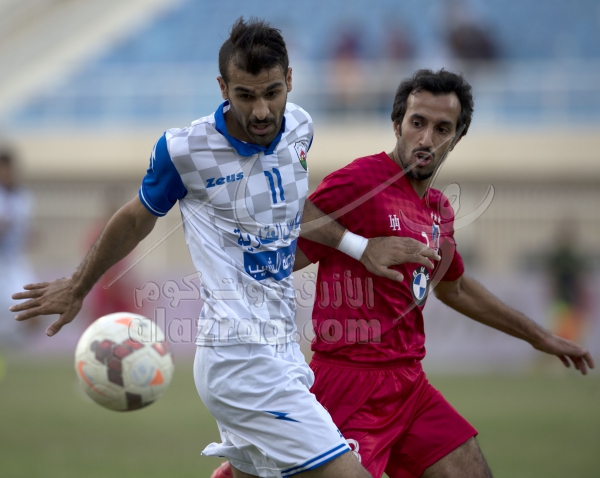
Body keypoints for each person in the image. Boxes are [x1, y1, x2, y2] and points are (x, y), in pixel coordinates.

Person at [9, 18, 439, 478]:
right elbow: (135, 217)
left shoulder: (300, 127)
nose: (261, 110)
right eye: (245, 95)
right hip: (239, 360)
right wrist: (78, 285)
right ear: (222, 88)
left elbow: (293, 206)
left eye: (272, 92)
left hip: (282, 349)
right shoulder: (185, 150)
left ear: (290, 79)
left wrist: (358, 247)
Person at [213, 69, 595, 478]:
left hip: (410, 387)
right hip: (349, 385)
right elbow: (286, 245)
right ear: (397, 125)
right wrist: (356, 247)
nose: (426, 139)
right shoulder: (361, 182)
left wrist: (538, 336)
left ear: (457, 138)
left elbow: (457, 289)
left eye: (442, 128)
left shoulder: (439, 211)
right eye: (417, 123)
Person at [0, 148, 36, 348]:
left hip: (15, 263)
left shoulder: (23, 197)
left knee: (34, 310)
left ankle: (11, 346)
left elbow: (22, 230)